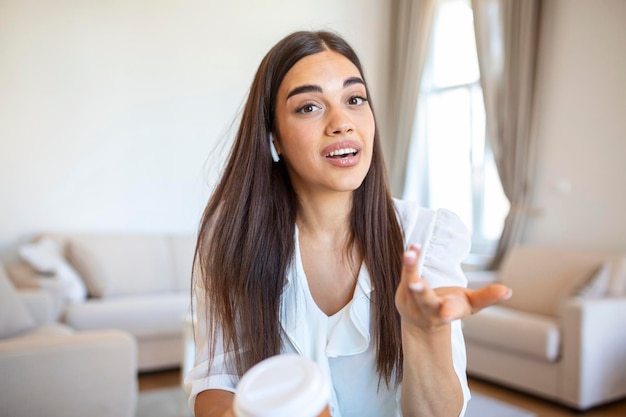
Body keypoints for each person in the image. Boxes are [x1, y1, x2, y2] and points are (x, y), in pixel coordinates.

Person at [184, 30, 511, 417]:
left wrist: (426, 333)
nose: (342, 122)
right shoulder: (231, 240)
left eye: (354, 99)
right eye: (309, 107)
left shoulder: (428, 238)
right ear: (274, 138)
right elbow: (217, 380)